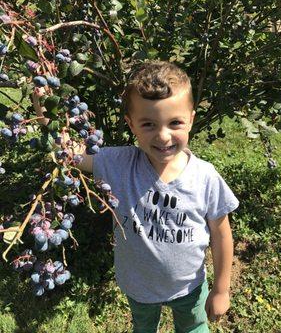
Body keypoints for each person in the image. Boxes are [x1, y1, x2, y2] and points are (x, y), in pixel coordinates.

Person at [33, 60, 239, 333]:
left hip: (189, 286)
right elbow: (69, 150)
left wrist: (221, 289)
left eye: (175, 122)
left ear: (191, 118)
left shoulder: (205, 178)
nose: (163, 136)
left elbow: (222, 234)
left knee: (193, 329)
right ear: (131, 124)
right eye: (149, 124)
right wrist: (44, 100)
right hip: (138, 287)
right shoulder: (119, 164)